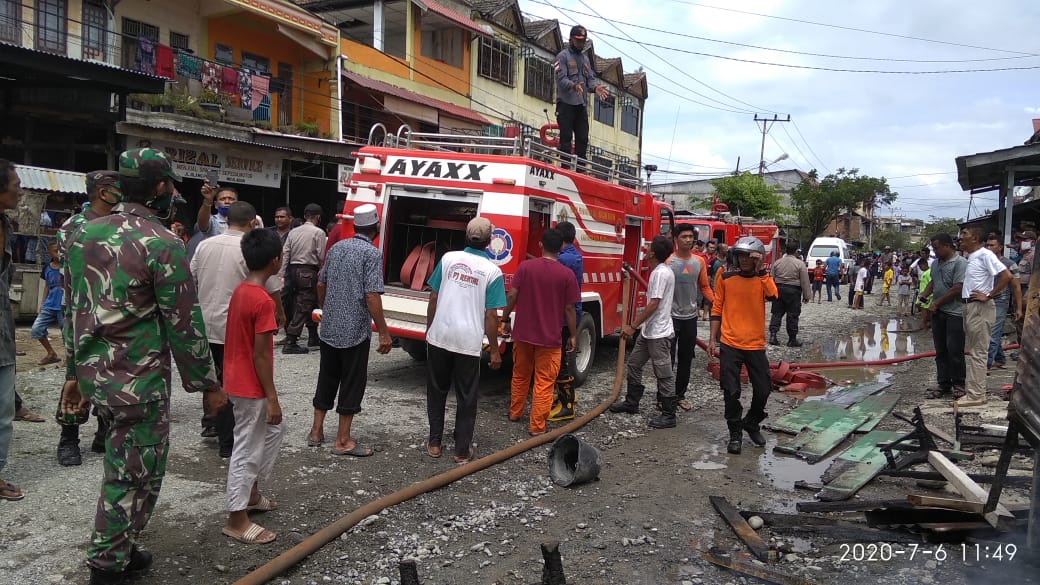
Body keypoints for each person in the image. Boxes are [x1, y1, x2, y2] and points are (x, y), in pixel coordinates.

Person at [58, 148, 226, 585]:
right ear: (159, 188)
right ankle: (107, 565)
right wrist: (208, 384)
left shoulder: (81, 235)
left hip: (96, 375)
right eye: (170, 184)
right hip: (139, 384)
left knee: (129, 467)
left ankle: (123, 547)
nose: (172, 192)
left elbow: (73, 308)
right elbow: (184, 323)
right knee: (134, 474)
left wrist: (74, 374)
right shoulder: (162, 243)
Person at [191, 201, 286, 458]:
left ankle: (211, 423)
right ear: (251, 222)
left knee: (214, 378)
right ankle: (228, 441)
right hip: (235, 326)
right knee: (234, 382)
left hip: (206, 323)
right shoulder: (249, 249)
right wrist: (280, 313)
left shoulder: (204, 245)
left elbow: (192, 278)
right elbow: (270, 285)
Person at [306, 203, 391, 456]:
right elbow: (371, 295)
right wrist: (384, 331)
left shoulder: (337, 248)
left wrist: (327, 307)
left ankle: (316, 431)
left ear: (355, 226)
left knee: (327, 376)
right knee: (352, 381)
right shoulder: (371, 254)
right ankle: (343, 440)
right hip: (355, 331)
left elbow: (321, 283)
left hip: (330, 328)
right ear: (375, 228)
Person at [222, 228, 285, 545]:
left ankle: (251, 493)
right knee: (247, 449)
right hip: (250, 385)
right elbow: (261, 354)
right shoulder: (262, 300)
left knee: (273, 432)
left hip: (237, 379)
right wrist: (272, 397)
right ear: (276, 260)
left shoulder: (241, 290)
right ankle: (236, 517)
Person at [53, 170, 121, 466]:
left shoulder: (122, 224)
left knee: (111, 372)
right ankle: (69, 438)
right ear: (104, 191)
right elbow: (73, 277)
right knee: (76, 374)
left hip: (114, 313)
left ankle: (103, 431)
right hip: (80, 313)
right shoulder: (73, 226)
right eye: (119, 188)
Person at [424, 217, 505, 463]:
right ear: (490, 241)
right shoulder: (493, 271)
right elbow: (491, 314)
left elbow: (433, 297)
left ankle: (435, 442)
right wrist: (494, 350)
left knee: (437, 391)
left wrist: (430, 330)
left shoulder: (448, 259)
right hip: (468, 342)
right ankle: (461, 450)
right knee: (466, 396)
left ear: (466, 237)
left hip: (440, 336)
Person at [502, 229, 579, 436]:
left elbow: (512, 295)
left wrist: (505, 318)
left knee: (520, 375)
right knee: (544, 381)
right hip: (550, 338)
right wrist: (573, 335)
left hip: (523, 334)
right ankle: (536, 427)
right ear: (561, 247)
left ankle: (515, 412)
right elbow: (570, 309)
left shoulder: (525, 267)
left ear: (540, 245)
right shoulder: (567, 275)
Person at [707, 236, 779, 455]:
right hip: (729, 342)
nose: (745, 260)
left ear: (757, 258)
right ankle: (735, 433)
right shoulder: (725, 276)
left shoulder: (762, 278)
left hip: (755, 344)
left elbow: (774, 295)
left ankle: (752, 422)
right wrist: (712, 338)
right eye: (741, 256)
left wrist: (761, 270)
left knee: (763, 389)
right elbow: (717, 308)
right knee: (731, 391)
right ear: (735, 257)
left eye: (750, 257)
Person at [609, 235, 679, 428]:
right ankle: (632, 402)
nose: (646, 250)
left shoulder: (660, 273)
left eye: (648, 248)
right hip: (649, 331)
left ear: (653, 253)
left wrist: (632, 326)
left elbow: (654, 303)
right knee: (634, 364)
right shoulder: (659, 271)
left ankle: (669, 414)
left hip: (659, 333)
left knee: (663, 373)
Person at [956, 226, 1012, 407]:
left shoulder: (984, 255)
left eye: (964, 234)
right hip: (970, 306)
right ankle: (973, 391)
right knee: (974, 352)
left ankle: (976, 395)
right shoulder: (971, 257)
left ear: (975, 238)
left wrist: (988, 295)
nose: (960, 238)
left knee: (978, 353)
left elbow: (1006, 276)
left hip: (980, 307)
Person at [666, 224, 714, 412]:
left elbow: (704, 286)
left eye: (690, 237)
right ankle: (665, 396)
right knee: (667, 360)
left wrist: (717, 303)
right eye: (684, 236)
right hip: (670, 317)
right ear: (676, 239)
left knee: (686, 358)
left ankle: (680, 395)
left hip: (690, 318)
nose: (688, 240)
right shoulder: (668, 262)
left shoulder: (699, 262)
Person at [0, 159, 25, 501]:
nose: (20, 190)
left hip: (3, 332)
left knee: (3, 411)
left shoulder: (8, 225)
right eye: (15, 184)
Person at [921, 233, 966, 400]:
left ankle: (959, 384)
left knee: (954, 350)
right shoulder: (936, 264)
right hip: (938, 313)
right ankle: (944, 383)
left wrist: (937, 302)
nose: (935, 251)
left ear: (948, 245)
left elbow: (957, 288)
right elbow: (933, 282)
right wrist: (924, 295)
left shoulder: (960, 263)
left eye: (937, 248)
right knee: (940, 351)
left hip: (954, 313)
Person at [554, 25, 608, 164]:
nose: (581, 43)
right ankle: (565, 168)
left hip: (580, 105)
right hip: (565, 104)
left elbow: (590, 79)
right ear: (571, 39)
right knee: (565, 139)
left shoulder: (585, 60)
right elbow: (561, 79)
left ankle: (580, 169)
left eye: (583, 40)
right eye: (578, 40)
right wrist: (573, 85)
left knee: (583, 138)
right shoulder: (562, 56)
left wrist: (595, 88)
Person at [280, 203, 327, 354]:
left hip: (292, 270)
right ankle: (291, 340)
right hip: (308, 270)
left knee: (309, 302)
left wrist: (281, 273)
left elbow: (285, 253)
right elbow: (321, 255)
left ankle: (313, 336)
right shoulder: (318, 232)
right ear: (318, 217)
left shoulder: (293, 232)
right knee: (303, 305)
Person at [549, 220, 582, 421]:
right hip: (569, 313)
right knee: (563, 357)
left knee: (560, 360)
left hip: (564, 315)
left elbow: (549, 266)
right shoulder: (572, 255)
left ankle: (567, 405)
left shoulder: (565, 259)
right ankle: (567, 397)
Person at [984, 234, 1022, 370]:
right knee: (990, 331)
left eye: (992, 245)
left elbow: (1016, 287)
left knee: (993, 333)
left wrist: (1018, 308)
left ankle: (985, 366)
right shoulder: (984, 263)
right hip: (985, 300)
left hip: (1001, 301)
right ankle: (999, 358)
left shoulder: (1009, 264)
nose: (988, 248)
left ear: (1000, 247)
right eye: (987, 245)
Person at [768, 241, 811, 346]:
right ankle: (792, 339)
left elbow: (771, 278)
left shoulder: (777, 262)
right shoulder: (800, 264)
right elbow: (804, 281)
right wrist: (806, 295)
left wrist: (770, 293)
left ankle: (773, 335)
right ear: (796, 251)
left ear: (785, 250)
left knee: (776, 313)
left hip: (779, 290)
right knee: (793, 315)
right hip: (794, 291)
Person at [31, 240, 63, 365]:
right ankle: (51, 353)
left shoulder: (67, 267)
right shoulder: (47, 268)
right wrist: (42, 302)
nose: (58, 253)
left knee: (67, 334)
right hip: (49, 304)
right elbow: (46, 287)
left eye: (60, 250)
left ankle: (70, 359)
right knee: (36, 329)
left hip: (63, 306)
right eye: (55, 251)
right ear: (49, 252)